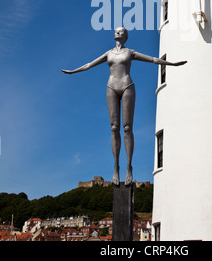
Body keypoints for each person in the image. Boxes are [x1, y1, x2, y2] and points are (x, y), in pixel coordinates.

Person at [61, 27, 187, 185]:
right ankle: (116, 167)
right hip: (111, 87)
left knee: (127, 127)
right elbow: (89, 65)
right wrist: (73, 71)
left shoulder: (130, 52)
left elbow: (153, 59)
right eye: (116, 31)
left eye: (121, 31)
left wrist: (172, 64)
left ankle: (129, 166)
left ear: (125, 36)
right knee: (114, 127)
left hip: (127, 86)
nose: (117, 32)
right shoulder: (109, 53)